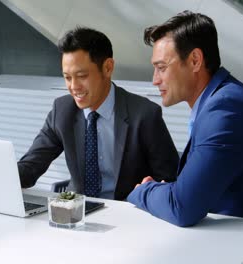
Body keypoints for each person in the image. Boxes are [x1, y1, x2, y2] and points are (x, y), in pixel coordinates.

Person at [127, 11, 243, 262]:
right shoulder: (221, 101)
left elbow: (183, 207)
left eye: (162, 68)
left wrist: (143, 191)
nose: (155, 80)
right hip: (239, 244)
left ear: (195, 60)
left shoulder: (226, 111)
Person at [18, 27, 179, 200]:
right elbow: (30, 167)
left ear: (108, 68)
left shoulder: (145, 115)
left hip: (128, 213)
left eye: (82, 75)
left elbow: (170, 181)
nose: (74, 86)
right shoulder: (62, 111)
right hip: (77, 212)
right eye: (67, 77)